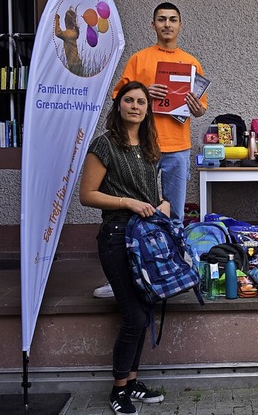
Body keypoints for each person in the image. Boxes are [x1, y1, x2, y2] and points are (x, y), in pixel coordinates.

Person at [95, 1, 207, 299]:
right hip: (141, 146)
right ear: (153, 25)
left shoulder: (191, 62)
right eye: (161, 19)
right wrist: (145, 87)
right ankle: (124, 277)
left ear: (180, 25)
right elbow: (118, 94)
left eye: (173, 20)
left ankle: (171, 274)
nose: (167, 24)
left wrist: (196, 108)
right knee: (135, 212)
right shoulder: (140, 59)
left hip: (177, 147)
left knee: (173, 213)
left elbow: (198, 109)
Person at [80, 81, 169, 415]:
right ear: (118, 106)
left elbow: (151, 191)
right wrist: (128, 203)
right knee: (132, 315)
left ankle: (131, 382)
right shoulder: (104, 145)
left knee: (144, 311)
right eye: (128, 100)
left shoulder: (148, 144)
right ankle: (118, 390)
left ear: (148, 109)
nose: (135, 106)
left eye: (141, 102)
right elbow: (87, 195)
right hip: (117, 236)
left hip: (145, 237)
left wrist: (163, 203)